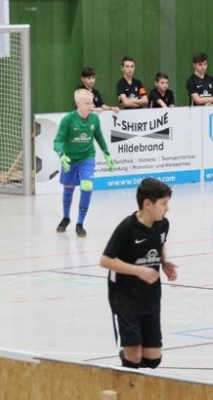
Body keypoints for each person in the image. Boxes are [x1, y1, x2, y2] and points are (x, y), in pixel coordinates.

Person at [99, 177, 178, 370]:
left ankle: (130, 356)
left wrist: (164, 261)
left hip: (151, 296)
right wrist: (139, 271)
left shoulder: (163, 224)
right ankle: (127, 361)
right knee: (134, 358)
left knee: (153, 359)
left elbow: (160, 242)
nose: (167, 209)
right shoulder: (127, 227)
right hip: (125, 298)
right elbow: (106, 260)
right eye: (163, 204)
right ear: (147, 204)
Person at [53, 88, 114, 238]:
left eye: (91, 103)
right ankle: (66, 218)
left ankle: (80, 224)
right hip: (70, 159)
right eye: (87, 103)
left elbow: (99, 136)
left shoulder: (94, 119)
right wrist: (61, 155)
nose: (90, 106)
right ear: (78, 104)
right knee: (68, 188)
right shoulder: (68, 119)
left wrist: (106, 153)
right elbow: (57, 141)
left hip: (87, 157)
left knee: (87, 185)